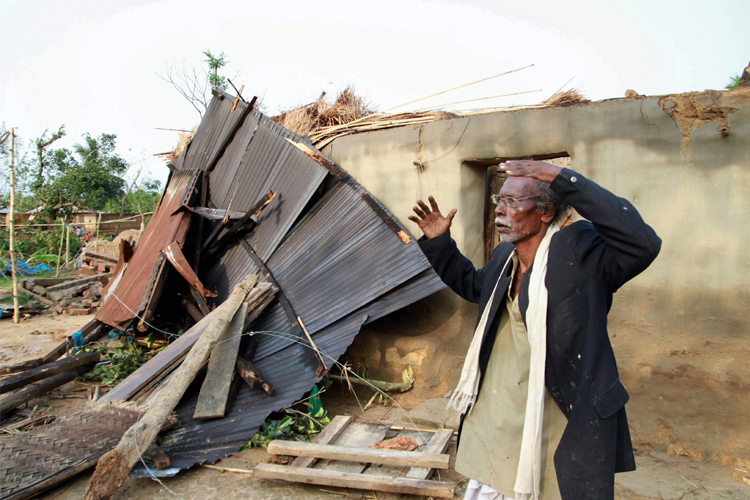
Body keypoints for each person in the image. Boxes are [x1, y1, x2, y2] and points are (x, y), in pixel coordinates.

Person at [409, 160, 661, 500]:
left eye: (513, 202)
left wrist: (564, 178)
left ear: (546, 212)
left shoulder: (580, 252)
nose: (500, 209)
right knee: (495, 479)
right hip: (500, 412)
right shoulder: (503, 259)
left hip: (556, 414)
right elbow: (471, 285)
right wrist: (440, 243)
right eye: (500, 199)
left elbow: (642, 244)